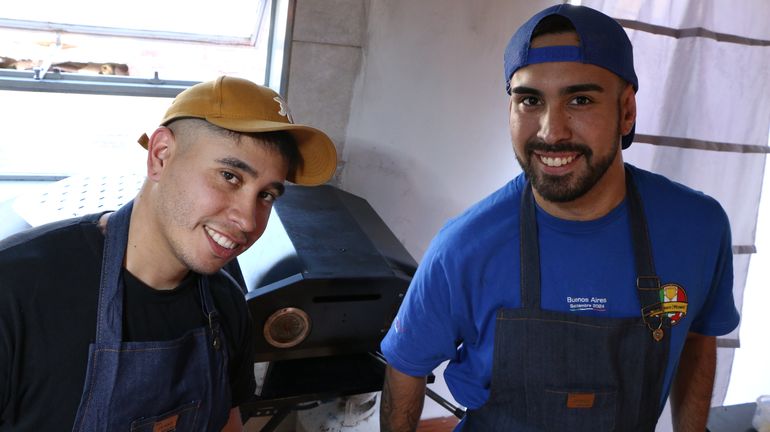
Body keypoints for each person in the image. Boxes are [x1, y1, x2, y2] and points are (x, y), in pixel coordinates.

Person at [380, 4, 740, 432]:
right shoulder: (464, 247)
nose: (551, 132)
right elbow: (406, 366)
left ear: (627, 111)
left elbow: (698, 335)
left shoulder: (698, 228)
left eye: (580, 100)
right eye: (530, 100)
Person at [0, 76, 337, 431]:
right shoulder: (16, 291)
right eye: (230, 176)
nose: (248, 220)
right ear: (160, 156)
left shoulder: (226, 304)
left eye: (266, 195)